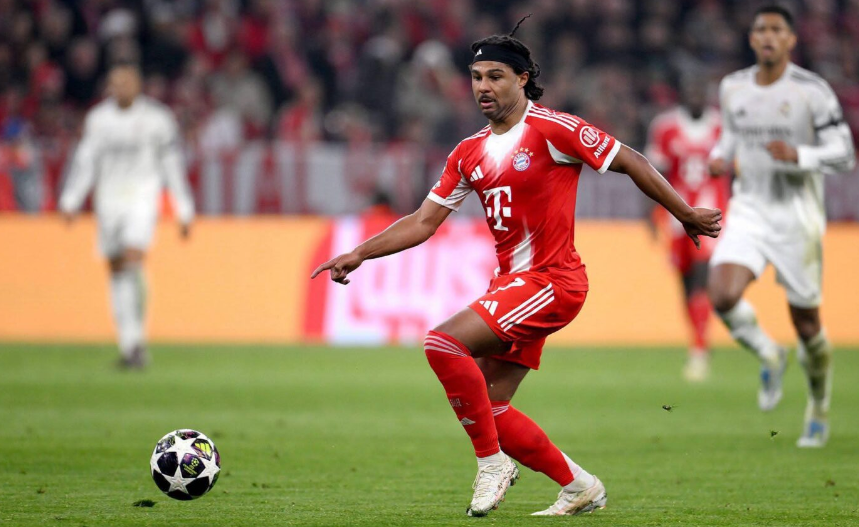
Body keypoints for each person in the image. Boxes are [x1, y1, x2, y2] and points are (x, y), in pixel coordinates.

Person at [312, 25, 721, 517]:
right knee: (491, 407)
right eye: (476, 77)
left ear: (522, 79)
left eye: (495, 76)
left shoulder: (554, 129)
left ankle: (491, 464)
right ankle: (580, 486)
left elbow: (630, 159)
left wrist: (684, 213)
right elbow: (423, 221)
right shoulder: (468, 152)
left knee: (442, 343)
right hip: (514, 285)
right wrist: (359, 252)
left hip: (552, 281)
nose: (483, 87)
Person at [708, 5, 855, 447]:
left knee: (807, 326)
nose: (768, 36)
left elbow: (844, 153)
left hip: (797, 217)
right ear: (752, 39)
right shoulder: (733, 87)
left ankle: (819, 406)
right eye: (761, 29)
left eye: (777, 30)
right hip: (749, 209)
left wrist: (800, 155)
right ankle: (770, 353)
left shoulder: (812, 90)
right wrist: (720, 156)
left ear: (791, 40)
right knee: (722, 294)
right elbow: (732, 136)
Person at [59, 62, 195, 368]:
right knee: (117, 269)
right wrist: (71, 199)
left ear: (137, 85)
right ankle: (128, 342)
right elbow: (85, 162)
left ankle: (137, 341)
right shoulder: (98, 120)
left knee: (134, 259)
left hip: (142, 200)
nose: (121, 88)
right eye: (115, 82)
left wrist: (184, 208)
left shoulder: (158, 119)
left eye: (126, 82)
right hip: (108, 203)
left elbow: (172, 165)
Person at [645, 76, 726, 381]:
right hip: (677, 219)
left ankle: (699, 350)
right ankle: (698, 341)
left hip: (711, 214)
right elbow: (653, 173)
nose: (695, 96)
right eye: (690, 91)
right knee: (686, 285)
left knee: (701, 282)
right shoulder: (665, 127)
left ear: (707, 94)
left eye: (699, 91)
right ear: (682, 94)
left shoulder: (722, 127)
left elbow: (736, 169)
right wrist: (651, 214)